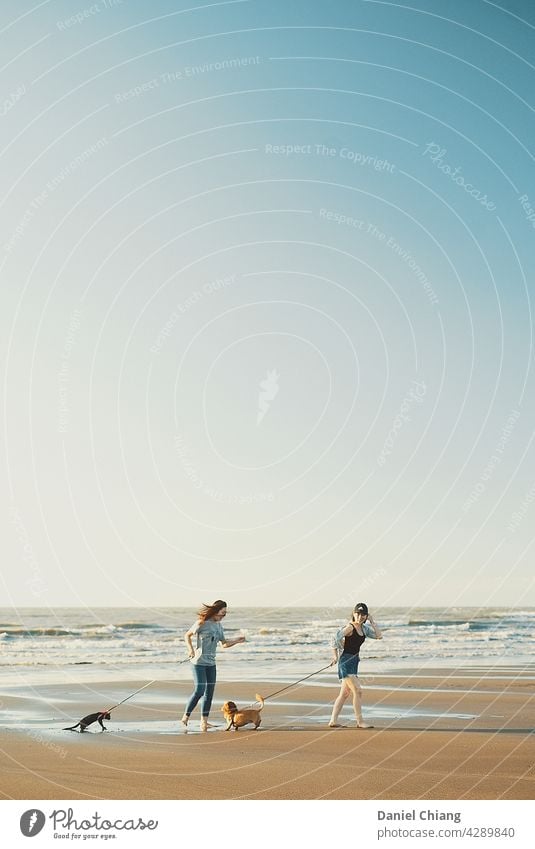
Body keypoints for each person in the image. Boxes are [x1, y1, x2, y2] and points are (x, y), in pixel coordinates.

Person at [181, 599, 245, 731]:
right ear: (216, 611)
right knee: (199, 690)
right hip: (198, 662)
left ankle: (204, 722)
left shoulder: (219, 626)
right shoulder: (201, 623)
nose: (223, 616)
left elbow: (224, 644)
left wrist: (237, 641)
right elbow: (187, 635)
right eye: (222, 613)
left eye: (225, 614)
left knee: (209, 694)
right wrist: (190, 649)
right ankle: (185, 717)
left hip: (211, 664)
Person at [328, 602, 382, 729]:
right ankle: (360, 722)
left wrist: (372, 622)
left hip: (354, 662)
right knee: (358, 691)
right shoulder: (350, 628)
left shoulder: (364, 629)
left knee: (345, 694)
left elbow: (379, 636)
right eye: (358, 613)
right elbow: (334, 638)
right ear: (353, 613)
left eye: (364, 614)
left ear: (366, 616)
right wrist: (335, 656)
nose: (360, 616)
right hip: (345, 662)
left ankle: (333, 721)